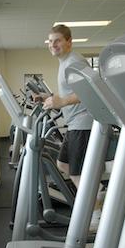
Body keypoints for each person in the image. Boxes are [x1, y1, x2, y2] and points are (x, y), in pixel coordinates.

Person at [42, 25, 104, 229]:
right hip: (75, 124)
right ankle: (98, 191)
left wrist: (60, 102)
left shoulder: (74, 61)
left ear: (69, 41)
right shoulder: (65, 62)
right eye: (51, 41)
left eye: (57, 40)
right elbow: (72, 93)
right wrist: (50, 99)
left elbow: (90, 91)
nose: (53, 45)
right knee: (63, 165)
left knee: (77, 173)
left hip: (83, 123)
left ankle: (96, 214)